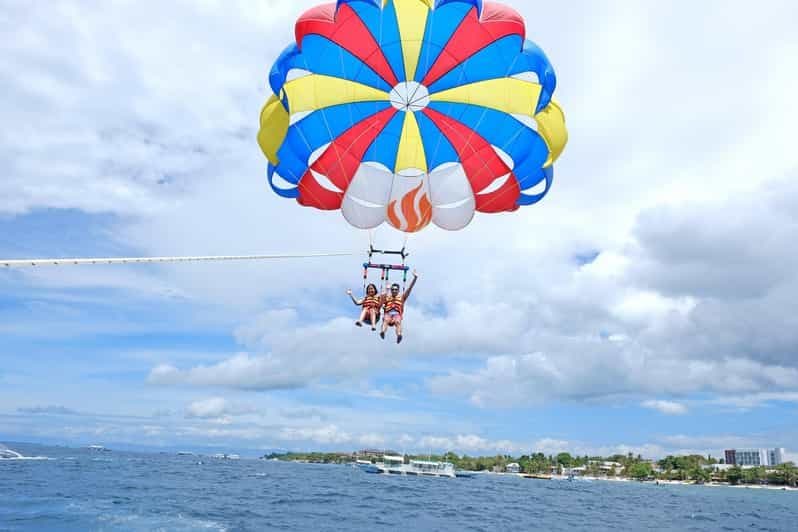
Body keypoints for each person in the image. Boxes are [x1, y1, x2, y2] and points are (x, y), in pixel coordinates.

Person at [380, 270, 418, 344]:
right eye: (393, 289)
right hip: (388, 313)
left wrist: (415, 278)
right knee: (386, 320)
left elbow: (409, 289)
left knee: (398, 322)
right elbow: (381, 302)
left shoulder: (402, 297)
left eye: (396, 289)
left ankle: (399, 335)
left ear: (398, 290)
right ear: (391, 290)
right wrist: (386, 290)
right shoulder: (387, 297)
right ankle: (382, 332)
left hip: (397, 314)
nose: (394, 291)